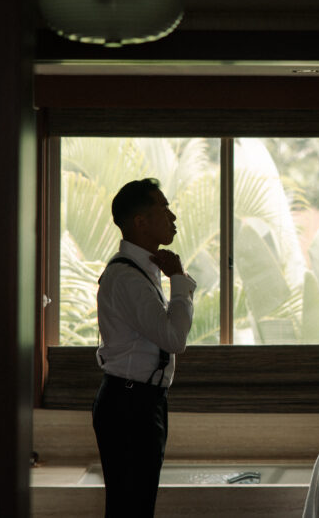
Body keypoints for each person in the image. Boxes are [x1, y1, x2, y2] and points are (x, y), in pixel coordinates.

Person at [92, 178, 197, 517]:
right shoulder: (126, 278)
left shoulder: (143, 272)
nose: (174, 217)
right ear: (140, 222)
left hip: (139, 400)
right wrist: (179, 280)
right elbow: (173, 339)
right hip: (129, 404)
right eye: (164, 209)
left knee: (136, 506)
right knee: (131, 508)